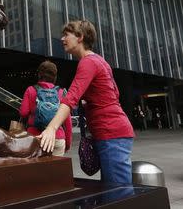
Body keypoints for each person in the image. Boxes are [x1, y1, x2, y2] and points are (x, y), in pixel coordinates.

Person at [37, 20, 135, 185]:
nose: (62, 39)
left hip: (111, 133)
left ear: (80, 37)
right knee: (112, 191)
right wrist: (88, 103)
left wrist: (51, 128)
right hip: (114, 132)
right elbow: (113, 94)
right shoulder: (100, 61)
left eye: (66, 35)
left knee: (119, 194)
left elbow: (71, 97)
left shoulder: (88, 62)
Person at [19, 61, 72, 156]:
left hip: (35, 138)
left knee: (36, 170)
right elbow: (67, 121)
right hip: (57, 138)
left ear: (39, 75)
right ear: (55, 76)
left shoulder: (31, 90)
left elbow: (23, 113)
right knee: (55, 170)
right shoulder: (61, 92)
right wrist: (67, 143)